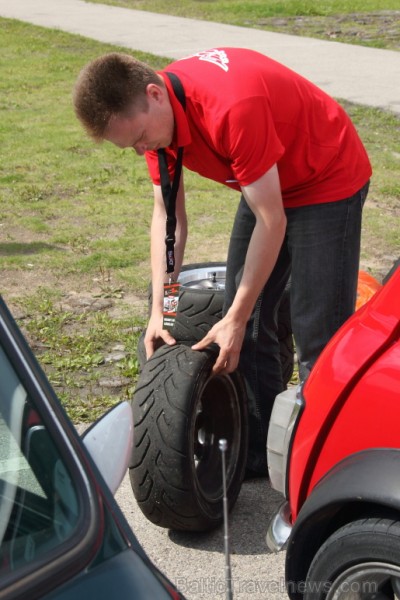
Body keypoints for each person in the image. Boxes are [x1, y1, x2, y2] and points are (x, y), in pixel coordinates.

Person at [73, 48, 371, 476]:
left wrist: (236, 313)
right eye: (131, 146)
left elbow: (272, 221)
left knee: (317, 335)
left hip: (324, 175)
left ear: (154, 95)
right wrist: (163, 309)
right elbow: (168, 217)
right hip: (266, 180)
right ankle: (263, 448)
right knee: (244, 323)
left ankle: (327, 466)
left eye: (139, 136)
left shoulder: (230, 107)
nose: (140, 148)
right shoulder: (155, 126)